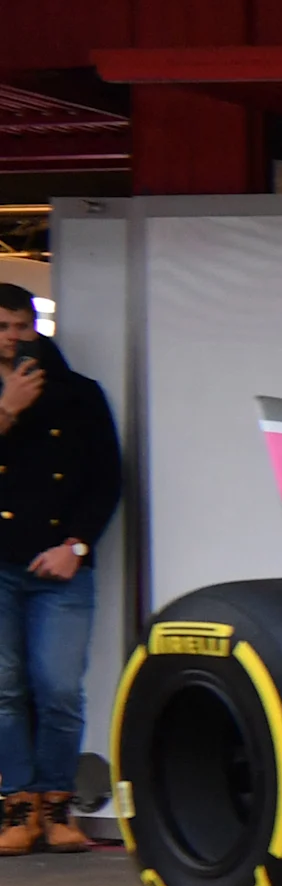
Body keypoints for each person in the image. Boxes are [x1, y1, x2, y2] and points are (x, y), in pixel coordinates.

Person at [0, 285, 121, 854]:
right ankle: (16, 808)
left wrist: (76, 545)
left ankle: (56, 803)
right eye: (2, 326)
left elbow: (106, 478)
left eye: (21, 326)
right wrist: (7, 410)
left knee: (58, 688)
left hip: (59, 562)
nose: (13, 337)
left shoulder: (79, 394)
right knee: (3, 689)